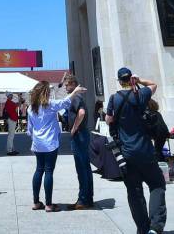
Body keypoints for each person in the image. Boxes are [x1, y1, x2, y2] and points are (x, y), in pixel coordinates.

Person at [106, 67, 166, 234]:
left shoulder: (114, 98)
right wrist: (139, 81)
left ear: (119, 81)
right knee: (157, 185)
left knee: (134, 191)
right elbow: (154, 84)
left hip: (126, 151)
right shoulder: (140, 94)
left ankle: (142, 228)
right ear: (130, 79)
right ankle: (155, 226)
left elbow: (108, 119)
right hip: (145, 149)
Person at [27, 79, 86, 212]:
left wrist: (34, 139)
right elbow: (64, 102)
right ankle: (48, 204)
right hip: (50, 143)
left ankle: (36, 202)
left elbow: (29, 129)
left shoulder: (31, 108)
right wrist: (75, 91)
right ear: (46, 93)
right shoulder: (50, 105)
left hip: (37, 143)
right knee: (48, 171)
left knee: (38, 170)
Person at [63, 74, 94, 209]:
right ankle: (88, 198)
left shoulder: (75, 97)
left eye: (66, 84)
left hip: (79, 134)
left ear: (73, 84)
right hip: (83, 134)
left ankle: (82, 200)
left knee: (81, 168)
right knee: (85, 167)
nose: (65, 87)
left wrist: (73, 129)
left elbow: (81, 113)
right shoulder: (77, 96)